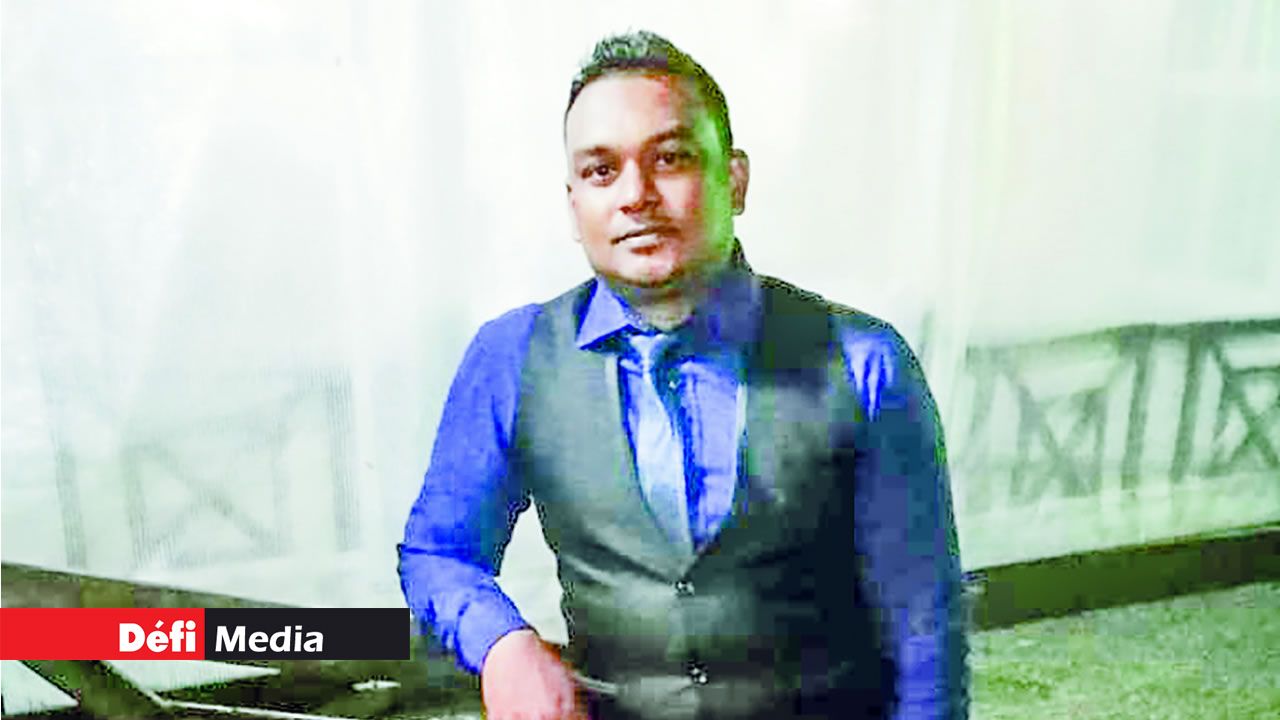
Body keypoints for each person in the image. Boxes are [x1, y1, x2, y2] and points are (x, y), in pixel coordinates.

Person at [398, 31, 968, 720]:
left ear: (736, 179)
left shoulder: (865, 361)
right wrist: (500, 642)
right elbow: (439, 552)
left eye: (669, 158)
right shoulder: (511, 357)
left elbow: (923, 629)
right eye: (601, 171)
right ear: (574, 206)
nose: (636, 195)